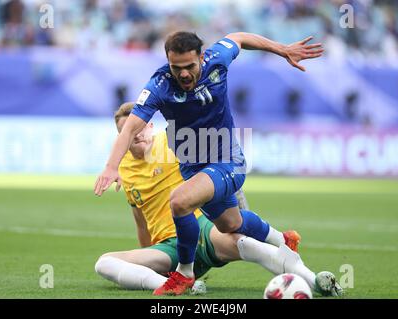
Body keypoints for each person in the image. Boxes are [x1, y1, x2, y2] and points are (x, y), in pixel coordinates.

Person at [94, 31, 327, 296]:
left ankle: (184, 273)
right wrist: (112, 166)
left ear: (202, 58)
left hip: (228, 159)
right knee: (230, 223)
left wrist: (281, 48)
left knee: (179, 200)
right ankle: (282, 240)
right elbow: (128, 129)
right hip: (194, 167)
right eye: (176, 67)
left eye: (189, 66)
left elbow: (238, 37)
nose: (183, 74)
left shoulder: (217, 58)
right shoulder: (160, 84)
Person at [94, 102, 343, 297]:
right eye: (127, 134)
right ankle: (177, 283)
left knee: (249, 246)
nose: (135, 136)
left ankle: (315, 282)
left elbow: (221, 171)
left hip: (203, 229)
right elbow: (140, 221)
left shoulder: (175, 142)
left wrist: (240, 213)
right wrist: (147, 257)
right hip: (169, 249)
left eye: (139, 129)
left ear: (150, 126)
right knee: (103, 263)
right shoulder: (123, 169)